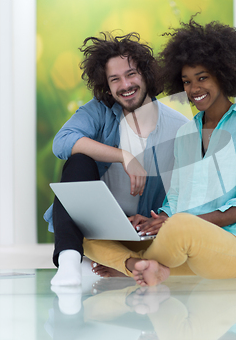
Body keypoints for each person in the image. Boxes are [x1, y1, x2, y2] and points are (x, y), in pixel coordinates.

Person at [82, 18, 236, 286]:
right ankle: (139, 266)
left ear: (224, 73)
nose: (194, 89)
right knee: (91, 231)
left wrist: (175, 224)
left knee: (181, 227)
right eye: (186, 81)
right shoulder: (185, 133)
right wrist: (152, 221)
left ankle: (129, 267)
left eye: (202, 78)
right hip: (186, 252)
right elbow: (175, 200)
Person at [45, 32, 188, 286]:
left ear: (145, 74)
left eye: (131, 74)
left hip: (140, 233)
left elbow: (188, 190)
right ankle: (68, 263)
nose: (125, 85)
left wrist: (163, 216)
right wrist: (124, 156)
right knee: (78, 162)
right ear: (107, 86)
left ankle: (125, 263)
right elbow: (63, 141)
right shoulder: (99, 111)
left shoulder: (180, 128)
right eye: (115, 79)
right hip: (92, 228)